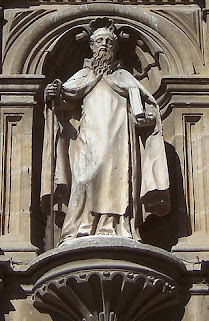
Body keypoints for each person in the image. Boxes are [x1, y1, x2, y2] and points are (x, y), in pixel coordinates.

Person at [42, 17, 170, 243]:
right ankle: (83, 226)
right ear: (91, 46)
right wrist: (53, 94)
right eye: (99, 41)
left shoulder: (125, 78)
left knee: (117, 180)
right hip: (89, 138)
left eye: (109, 42)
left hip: (119, 141)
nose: (104, 45)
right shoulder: (83, 76)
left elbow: (146, 107)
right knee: (84, 178)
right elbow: (64, 101)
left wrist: (147, 119)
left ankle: (116, 227)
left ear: (115, 48)